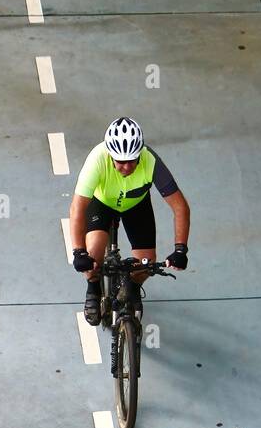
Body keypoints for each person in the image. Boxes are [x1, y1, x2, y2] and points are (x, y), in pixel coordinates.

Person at [69, 116, 190, 324]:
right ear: (110, 155)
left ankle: (132, 287)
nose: (126, 167)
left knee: (146, 264)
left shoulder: (151, 161)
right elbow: (77, 209)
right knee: (93, 253)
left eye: (132, 160)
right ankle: (93, 287)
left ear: (139, 154)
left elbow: (180, 207)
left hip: (136, 204)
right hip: (102, 203)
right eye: (120, 162)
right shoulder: (97, 159)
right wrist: (79, 252)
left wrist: (180, 249)